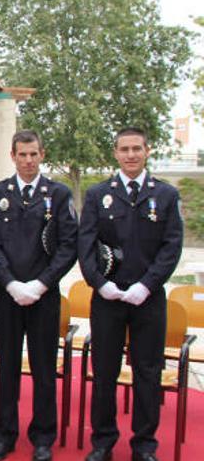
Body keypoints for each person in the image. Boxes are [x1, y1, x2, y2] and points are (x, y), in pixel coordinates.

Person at [78, 127, 183, 461]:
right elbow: (86, 245)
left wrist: (147, 285)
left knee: (147, 373)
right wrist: (100, 283)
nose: (130, 155)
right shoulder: (98, 195)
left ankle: (144, 445)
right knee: (104, 371)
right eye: (124, 149)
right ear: (115, 153)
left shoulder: (165, 195)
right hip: (108, 299)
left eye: (136, 148)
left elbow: (171, 246)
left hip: (147, 299)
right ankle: (103, 442)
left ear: (147, 151)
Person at [0, 131, 78, 461]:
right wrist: (10, 283)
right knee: (6, 367)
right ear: (12, 155)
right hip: (7, 295)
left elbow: (68, 247)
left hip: (44, 296)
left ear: (42, 154)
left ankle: (42, 437)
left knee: (43, 369)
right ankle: (5, 435)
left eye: (33, 154)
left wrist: (40, 285)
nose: (28, 160)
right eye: (22, 154)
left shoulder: (59, 194)